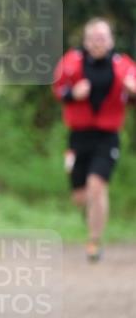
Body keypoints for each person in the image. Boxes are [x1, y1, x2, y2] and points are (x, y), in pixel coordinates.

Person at [52, 17, 136, 262]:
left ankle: (94, 241)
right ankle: (91, 217)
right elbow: (58, 89)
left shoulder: (124, 67)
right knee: (80, 196)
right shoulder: (71, 62)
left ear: (111, 41)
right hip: (78, 136)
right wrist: (72, 93)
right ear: (86, 41)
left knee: (97, 187)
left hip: (107, 136)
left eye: (103, 38)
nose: (99, 42)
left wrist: (132, 92)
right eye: (94, 38)